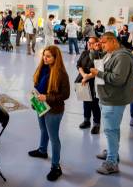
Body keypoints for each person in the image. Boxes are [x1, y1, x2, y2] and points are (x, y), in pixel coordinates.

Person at [90, 32, 133, 175]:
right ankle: (112, 152)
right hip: (107, 97)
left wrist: (99, 74)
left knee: (110, 130)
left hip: (114, 99)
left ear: (113, 41)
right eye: (100, 43)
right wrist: (95, 51)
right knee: (112, 129)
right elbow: (98, 64)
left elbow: (118, 79)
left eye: (103, 43)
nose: (101, 45)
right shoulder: (110, 53)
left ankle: (112, 163)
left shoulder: (122, 56)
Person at [28, 45, 70, 181]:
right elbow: (37, 86)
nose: (45, 58)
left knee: (54, 137)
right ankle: (42, 151)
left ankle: (56, 167)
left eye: (48, 56)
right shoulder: (43, 68)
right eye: (44, 55)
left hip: (54, 109)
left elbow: (65, 94)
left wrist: (47, 97)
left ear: (55, 58)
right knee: (43, 130)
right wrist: (35, 98)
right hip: (41, 106)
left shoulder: (61, 74)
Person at [76, 37, 102, 134]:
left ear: (97, 44)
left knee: (94, 103)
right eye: (88, 43)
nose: (89, 45)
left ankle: (96, 124)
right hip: (83, 80)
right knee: (86, 102)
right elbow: (79, 65)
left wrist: (87, 77)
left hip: (94, 81)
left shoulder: (99, 55)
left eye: (92, 43)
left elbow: (99, 70)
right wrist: (84, 75)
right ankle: (86, 120)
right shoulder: (84, 53)